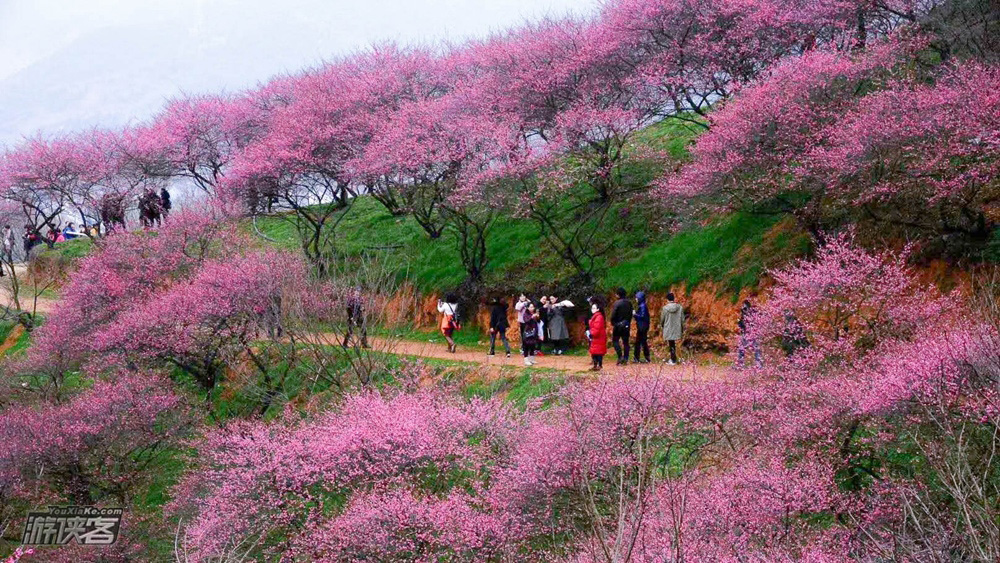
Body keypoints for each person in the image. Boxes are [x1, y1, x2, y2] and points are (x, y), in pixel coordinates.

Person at [610, 287, 633, 365]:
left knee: (615, 340)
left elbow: (613, 314)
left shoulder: (617, 303)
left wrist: (613, 322)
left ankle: (620, 357)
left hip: (618, 325)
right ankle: (626, 358)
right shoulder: (629, 303)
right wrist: (628, 322)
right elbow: (631, 314)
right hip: (626, 324)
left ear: (618, 295)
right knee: (626, 342)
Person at [736, 299, 763, 368]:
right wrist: (740, 323)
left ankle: (758, 365)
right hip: (746, 333)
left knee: (756, 349)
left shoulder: (753, 313)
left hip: (753, 333)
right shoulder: (743, 314)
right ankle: (740, 364)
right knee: (741, 348)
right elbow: (742, 324)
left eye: (745, 307)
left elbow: (758, 321)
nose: (743, 309)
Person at [660, 292, 684, 365]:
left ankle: (673, 360)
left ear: (667, 299)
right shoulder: (680, 307)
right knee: (676, 344)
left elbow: (662, 319)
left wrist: (662, 325)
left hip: (668, 328)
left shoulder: (665, 308)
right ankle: (678, 358)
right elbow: (682, 319)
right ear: (674, 298)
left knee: (671, 344)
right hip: (677, 328)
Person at [587, 301, 607, 371]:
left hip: (598, 337)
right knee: (594, 352)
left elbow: (597, 328)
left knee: (598, 353)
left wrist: (591, 334)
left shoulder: (599, 317)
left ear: (598, 309)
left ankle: (599, 365)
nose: (592, 309)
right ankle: (596, 365)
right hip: (596, 337)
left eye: (594, 308)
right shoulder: (596, 316)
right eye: (592, 308)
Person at [632, 291, 651, 363]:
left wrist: (635, 314)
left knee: (640, 342)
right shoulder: (643, 305)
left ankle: (638, 358)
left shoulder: (642, 306)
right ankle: (644, 357)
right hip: (642, 326)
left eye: (637, 298)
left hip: (642, 327)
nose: (636, 299)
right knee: (642, 342)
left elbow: (642, 316)